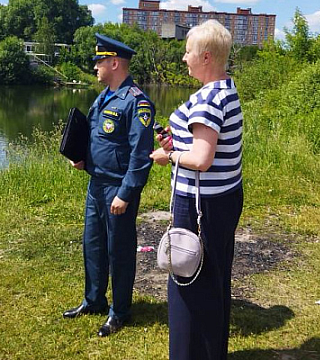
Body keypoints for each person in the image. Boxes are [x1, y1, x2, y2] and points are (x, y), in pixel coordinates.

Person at [150, 20, 243, 359]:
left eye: (187, 52)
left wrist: (169, 155)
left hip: (201, 205)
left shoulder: (206, 100)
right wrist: (179, 142)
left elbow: (202, 159)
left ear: (206, 57)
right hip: (223, 199)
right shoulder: (225, 90)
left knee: (190, 281)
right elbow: (208, 146)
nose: (183, 58)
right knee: (214, 277)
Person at [64, 33, 155, 337]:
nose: (95, 68)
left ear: (114, 63)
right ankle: (93, 300)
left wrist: (126, 193)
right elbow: (98, 139)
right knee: (93, 245)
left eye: (99, 62)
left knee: (119, 251)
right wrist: (83, 160)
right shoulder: (103, 97)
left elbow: (141, 156)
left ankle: (120, 311)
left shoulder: (137, 103)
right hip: (96, 184)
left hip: (117, 189)